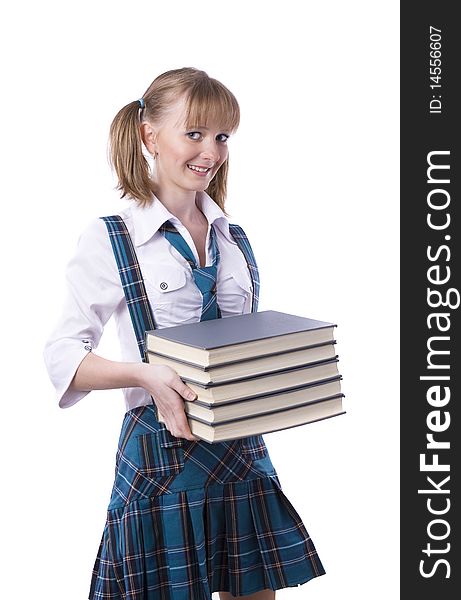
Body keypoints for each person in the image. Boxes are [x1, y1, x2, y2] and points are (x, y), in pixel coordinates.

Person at [44, 67, 325, 600]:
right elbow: (63, 354)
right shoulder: (113, 237)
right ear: (149, 136)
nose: (211, 152)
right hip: (160, 454)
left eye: (221, 136)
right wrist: (144, 375)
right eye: (193, 134)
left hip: (241, 449)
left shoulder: (233, 236)